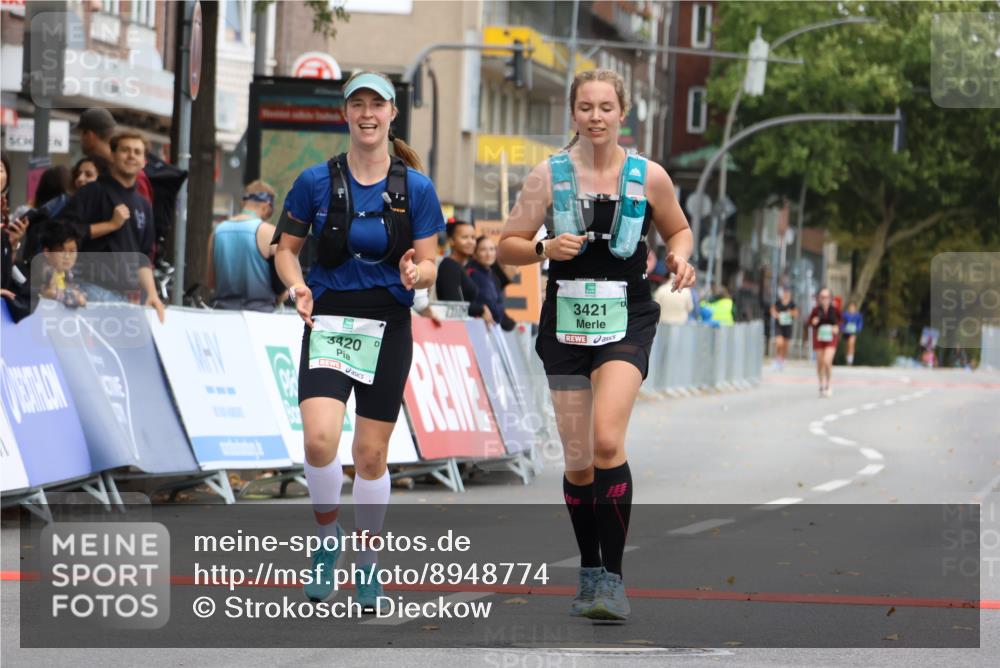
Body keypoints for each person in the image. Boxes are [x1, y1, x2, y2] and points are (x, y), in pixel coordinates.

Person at [498, 69, 695, 622]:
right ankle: (589, 570)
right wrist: (544, 248)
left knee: (607, 441)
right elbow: (506, 247)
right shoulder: (547, 177)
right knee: (580, 457)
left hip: (627, 318)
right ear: (573, 114)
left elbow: (677, 229)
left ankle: (613, 579)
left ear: (622, 113)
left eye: (606, 107)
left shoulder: (649, 176)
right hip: (564, 323)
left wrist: (680, 256)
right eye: (585, 107)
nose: (596, 117)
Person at [273, 71, 444, 612]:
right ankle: (327, 543)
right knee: (320, 441)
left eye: (377, 104)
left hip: (387, 323)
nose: (367, 113)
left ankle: (368, 565)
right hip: (328, 319)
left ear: (393, 113)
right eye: (357, 104)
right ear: (345, 114)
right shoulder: (313, 181)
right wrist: (297, 285)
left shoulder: (415, 188)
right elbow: (285, 248)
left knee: (370, 455)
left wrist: (420, 274)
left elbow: (432, 259)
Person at [56, 132, 165, 322]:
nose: (131, 156)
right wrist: (110, 225)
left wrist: (153, 295)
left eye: (137, 152)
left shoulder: (143, 204)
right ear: (113, 155)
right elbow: (63, 235)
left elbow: (143, 258)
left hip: (128, 298)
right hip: (90, 288)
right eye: (125, 150)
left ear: (144, 161)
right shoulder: (91, 192)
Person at [205, 180, 280, 312]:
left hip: (223, 313)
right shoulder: (269, 232)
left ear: (243, 203)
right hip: (262, 314)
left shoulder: (217, 231)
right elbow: (280, 285)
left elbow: (211, 282)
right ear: (266, 207)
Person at [75, 108, 154, 205]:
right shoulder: (101, 169)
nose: (81, 140)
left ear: (90, 136)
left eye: (137, 152)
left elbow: (141, 215)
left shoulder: (133, 174)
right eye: (125, 150)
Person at [434, 219, 492, 324]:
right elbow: (454, 306)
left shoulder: (460, 266)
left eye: (473, 238)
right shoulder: (449, 266)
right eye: (464, 237)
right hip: (454, 330)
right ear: (451, 241)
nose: (470, 242)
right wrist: (481, 309)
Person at [467, 235, 516, 331]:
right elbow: (489, 306)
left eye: (492, 249)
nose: (488, 254)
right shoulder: (472, 273)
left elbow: (497, 305)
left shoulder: (492, 276)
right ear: (475, 253)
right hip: (477, 328)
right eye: (483, 250)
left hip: (491, 328)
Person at [38, 223, 86, 308]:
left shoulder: (69, 273)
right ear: (47, 252)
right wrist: (72, 296)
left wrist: (79, 295)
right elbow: (49, 293)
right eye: (61, 251)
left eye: (72, 251)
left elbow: (77, 292)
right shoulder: (43, 272)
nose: (67, 256)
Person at [808, 287, 841, 397]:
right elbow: (808, 322)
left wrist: (836, 327)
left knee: (827, 361)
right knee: (820, 362)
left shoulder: (835, 310)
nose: (824, 299)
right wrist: (813, 321)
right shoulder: (816, 310)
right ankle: (821, 384)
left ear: (831, 298)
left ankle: (828, 384)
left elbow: (841, 321)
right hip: (819, 338)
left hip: (831, 338)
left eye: (827, 297)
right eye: (822, 297)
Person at [770, 286, 798, 370]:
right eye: (785, 293)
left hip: (788, 326)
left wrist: (791, 313)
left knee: (785, 345)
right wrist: (776, 315)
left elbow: (796, 314)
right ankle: (776, 359)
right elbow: (772, 310)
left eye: (787, 293)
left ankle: (781, 360)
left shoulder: (792, 303)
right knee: (779, 343)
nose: (786, 294)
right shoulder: (778, 302)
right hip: (779, 326)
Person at [841, 300, 863, 365]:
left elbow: (860, 323)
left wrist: (858, 329)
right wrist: (842, 328)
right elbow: (842, 322)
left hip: (853, 332)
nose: (851, 309)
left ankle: (850, 360)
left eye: (853, 307)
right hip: (846, 332)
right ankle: (847, 358)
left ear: (855, 308)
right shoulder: (845, 314)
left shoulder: (858, 315)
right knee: (847, 345)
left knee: (851, 344)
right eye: (850, 307)